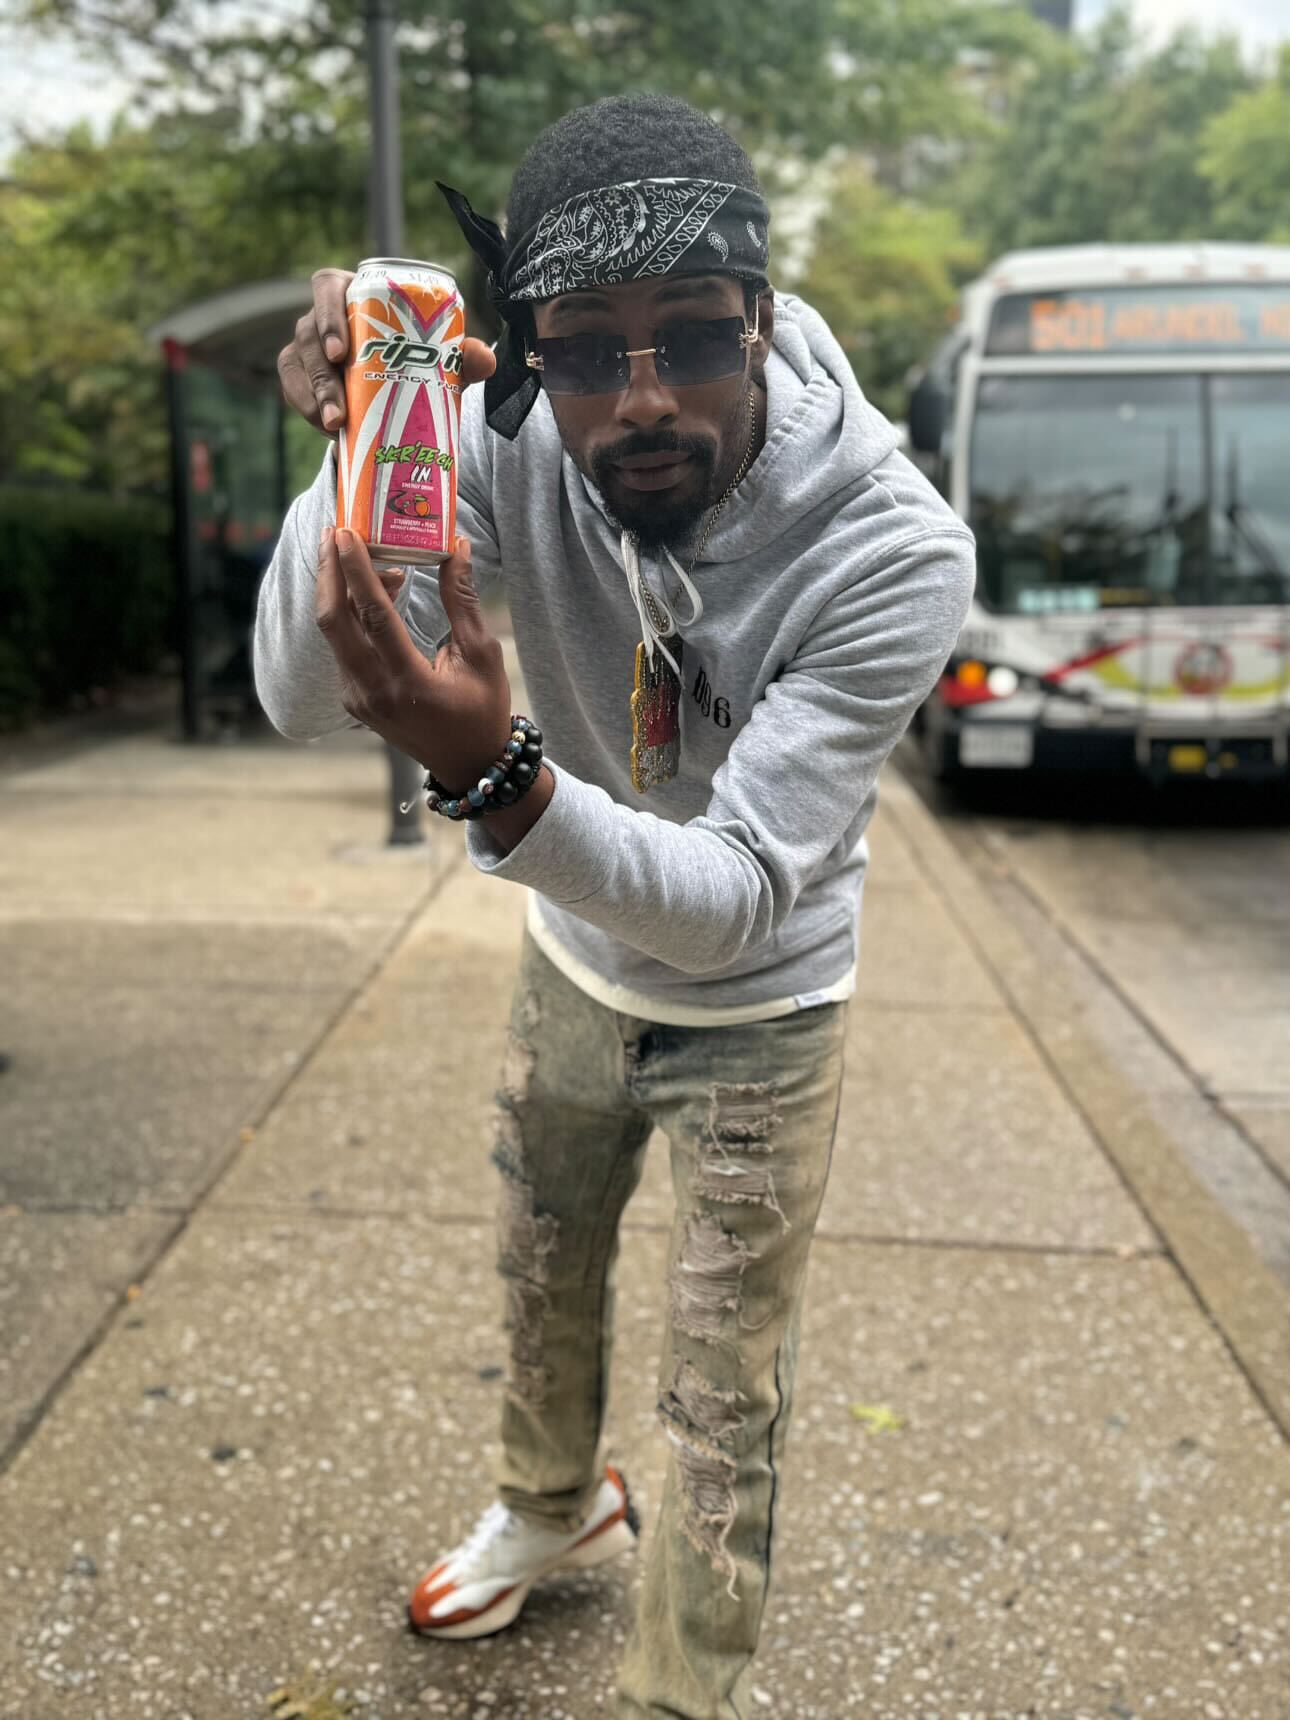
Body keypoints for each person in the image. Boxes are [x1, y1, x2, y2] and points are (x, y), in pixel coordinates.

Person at [255, 90, 975, 1720]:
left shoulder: (890, 547)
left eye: (693, 339)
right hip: (572, 967)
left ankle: (676, 1695)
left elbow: (729, 899)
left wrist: (496, 777)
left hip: (763, 1011)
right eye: (585, 351)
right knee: (537, 1273)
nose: (643, 399)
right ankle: (547, 1502)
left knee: (722, 1405)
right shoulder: (503, 443)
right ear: (527, 351)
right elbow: (303, 697)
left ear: (764, 321)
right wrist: (377, 415)